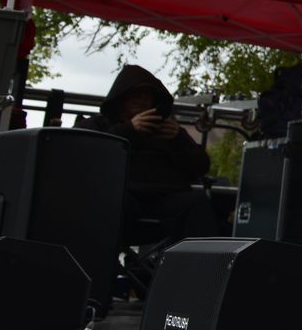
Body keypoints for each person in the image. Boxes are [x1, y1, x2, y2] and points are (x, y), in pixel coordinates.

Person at [82, 63, 219, 248]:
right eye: (136, 94)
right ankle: (100, 273)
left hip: (165, 200)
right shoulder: (100, 125)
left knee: (197, 203)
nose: (143, 99)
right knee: (109, 204)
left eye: (147, 95)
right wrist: (129, 129)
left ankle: (199, 272)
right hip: (122, 196)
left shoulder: (167, 130)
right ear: (122, 97)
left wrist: (178, 139)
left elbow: (202, 166)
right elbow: (83, 155)